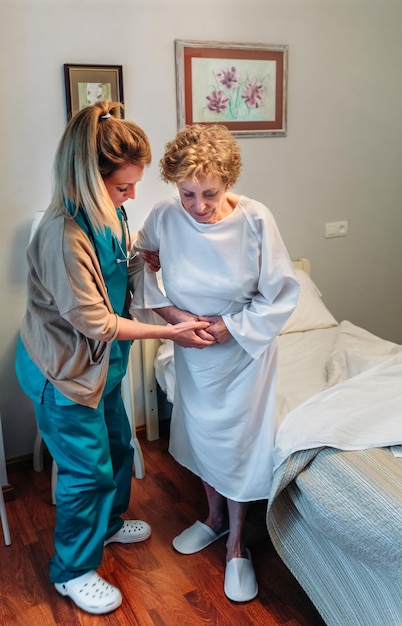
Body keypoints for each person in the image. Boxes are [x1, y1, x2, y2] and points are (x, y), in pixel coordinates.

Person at [15, 102, 213, 616]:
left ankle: (106, 526)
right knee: (87, 473)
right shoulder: (63, 233)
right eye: (123, 186)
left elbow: (119, 264)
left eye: (134, 185)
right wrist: (172, 329)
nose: (131, 196)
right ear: (88, 176)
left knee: (119, 449)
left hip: (104, 363)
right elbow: (97, 322)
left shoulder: (111, 212)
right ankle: (72, 571)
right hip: (65, 372)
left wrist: (144, 256)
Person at [131, 123, 300, 602]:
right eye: (188, 194)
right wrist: (174, 316)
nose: (199, 206)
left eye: (210, 193)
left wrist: (227, 328)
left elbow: (282, 294)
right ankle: (211, 517)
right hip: (192, 351)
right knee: (202, 435)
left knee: (239, 444)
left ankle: (235, 546)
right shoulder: (165, 214)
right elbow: (139, 264)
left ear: (228, 182)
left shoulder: (255, 220)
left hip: (244, 352)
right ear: (174, 185)